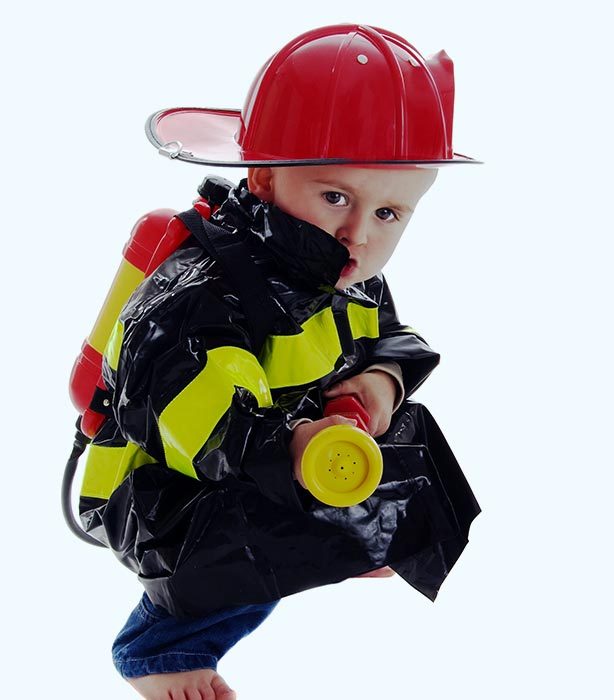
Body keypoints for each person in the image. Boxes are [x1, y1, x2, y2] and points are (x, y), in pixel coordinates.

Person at [73, 25, 481, 700]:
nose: (360, 234)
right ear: (262, 175)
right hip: (164, 489)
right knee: (268, 539)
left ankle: (355, 531)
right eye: (335, 198)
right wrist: (290, 447)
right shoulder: (205, 288)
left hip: (289, 444)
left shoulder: (344, 275)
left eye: (388, 212)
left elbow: (388, 338)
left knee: (416, 437)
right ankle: (159, 651)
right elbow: (196, 407)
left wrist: (377, 385)